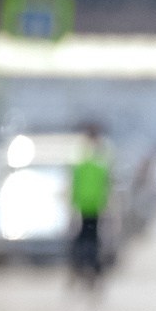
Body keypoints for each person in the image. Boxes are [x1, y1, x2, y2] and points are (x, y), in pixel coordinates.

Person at [68, 124, 110, 293]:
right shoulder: (101, 162)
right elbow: (106, 185)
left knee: (82, 240)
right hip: (95, 207)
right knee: (93, 240)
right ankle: (92, 270)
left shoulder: (80, 160)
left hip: (84, 206)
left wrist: (73, 205)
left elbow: (75, 184)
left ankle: (80, 268)